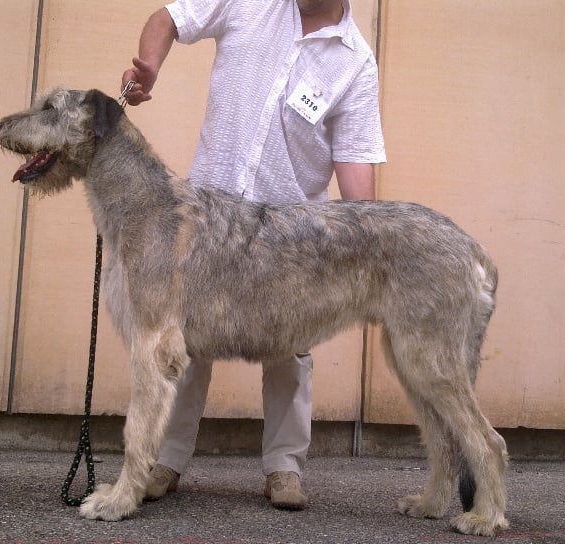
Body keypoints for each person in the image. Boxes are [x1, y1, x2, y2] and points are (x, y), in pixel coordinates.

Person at [121, 0, 386, 510]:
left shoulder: (355, 62)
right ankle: (165, 459)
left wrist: (369, 243)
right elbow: (169, 18)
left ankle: (284, 467)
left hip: (288, 233)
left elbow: (355, 164)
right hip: (206, 216)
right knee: (184, 339)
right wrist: (149, 64)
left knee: (291, 349)